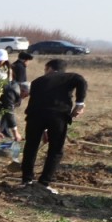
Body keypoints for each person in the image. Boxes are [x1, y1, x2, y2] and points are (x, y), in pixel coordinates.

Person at [21, 58, 88, 193]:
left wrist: (44, 129)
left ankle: (26, 180)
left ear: (50, 68)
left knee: (30, 147)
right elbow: (81, 80)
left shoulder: (37, 82)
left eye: (46, 69)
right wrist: (80, 103)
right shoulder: (70, 77)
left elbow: (39, 103)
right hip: (57, 117)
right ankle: (44, 182)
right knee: (55, 150)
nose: (45, 72)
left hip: (34, 117)